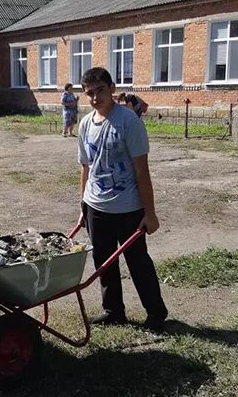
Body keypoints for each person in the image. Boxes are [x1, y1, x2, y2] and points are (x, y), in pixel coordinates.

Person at [76, 67, 168, 331]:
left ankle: (156, 313)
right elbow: (86, 167)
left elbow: (142, 170)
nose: (95, 98)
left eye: (100, 91)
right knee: (104, 263)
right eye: (90, 93)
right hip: (96, 207)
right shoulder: (85, 124)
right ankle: (113, 311)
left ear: (112, 88)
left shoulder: (128, 121)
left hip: (128, 208)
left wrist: (149, 214)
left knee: (138, 263)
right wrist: (83, 205)